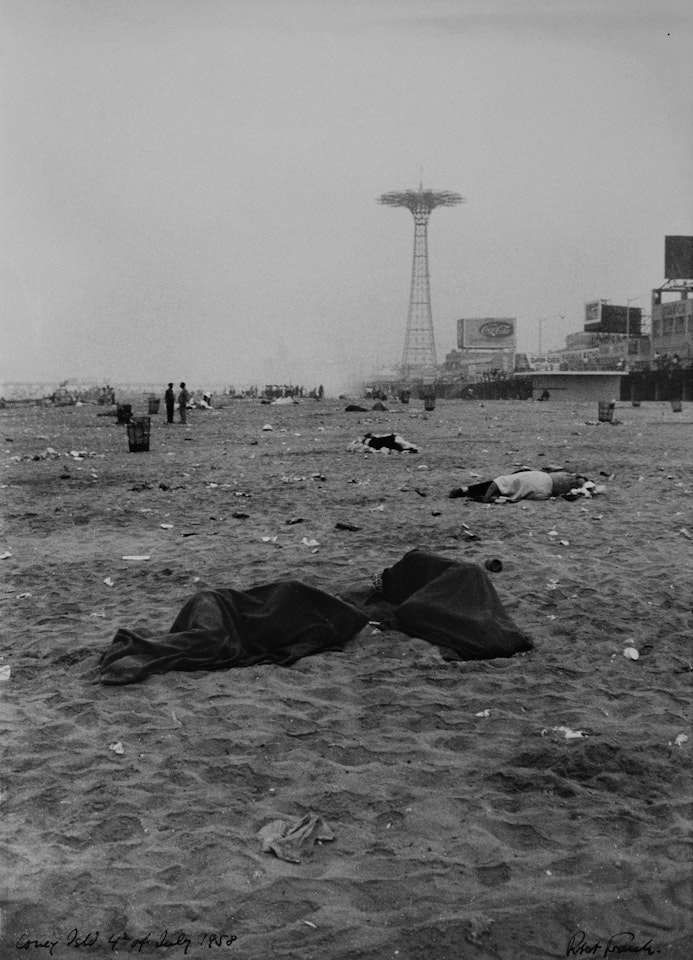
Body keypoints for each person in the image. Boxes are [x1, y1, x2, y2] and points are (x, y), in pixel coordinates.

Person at [449, 467, 594, 503]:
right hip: (544, 482)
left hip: (544, 484)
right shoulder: (505, 485)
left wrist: (486, 499)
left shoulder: (505, 484)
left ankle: (466, 490)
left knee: (514, 475)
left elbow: (494, 486)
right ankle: (466, 490)